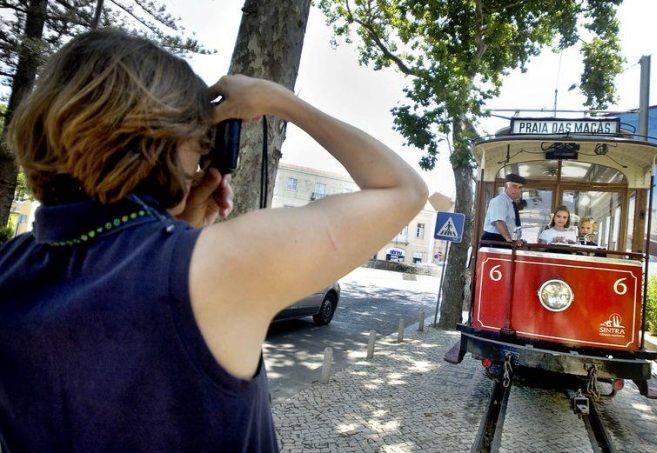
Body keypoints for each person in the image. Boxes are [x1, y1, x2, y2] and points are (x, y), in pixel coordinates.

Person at [0, 29, 428, 452]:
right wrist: (282, 101)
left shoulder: (9, 265)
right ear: (163, 139)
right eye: (198, 136)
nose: (204, 154)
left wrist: (177, 229)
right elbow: (404, 190)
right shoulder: (219, 267)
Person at [481, 173, 526, 246]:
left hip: (504, 240)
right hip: (495, 240)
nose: (517, 190)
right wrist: (510, 240)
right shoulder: (500, 200)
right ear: (506, 186)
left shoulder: (511, 203)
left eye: (520, 187)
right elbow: (499, 222)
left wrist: (516, 240)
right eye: (514, 186)